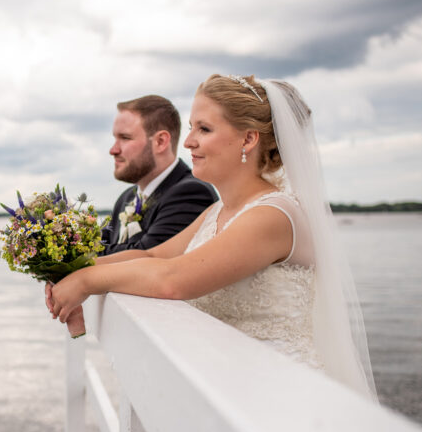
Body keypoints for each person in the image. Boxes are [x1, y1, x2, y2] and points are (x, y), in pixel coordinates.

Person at [47, 75, 378, 402]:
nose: (188, 142)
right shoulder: (216, 211)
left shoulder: (274, 215)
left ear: (248, 139)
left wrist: (86, 281)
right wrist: (73, 269)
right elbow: (154, 256)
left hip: (279, 391)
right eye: (191, 127)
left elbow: (172, 279)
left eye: (204, 129)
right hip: (229, 381)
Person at [101, 95, 218, 255]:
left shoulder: (191, 193)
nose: (113, 150)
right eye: (115, 138)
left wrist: (75, 256)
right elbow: (99, 246)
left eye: (125, 138)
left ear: (161, 141)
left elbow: (146, 258)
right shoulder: (126, 198)